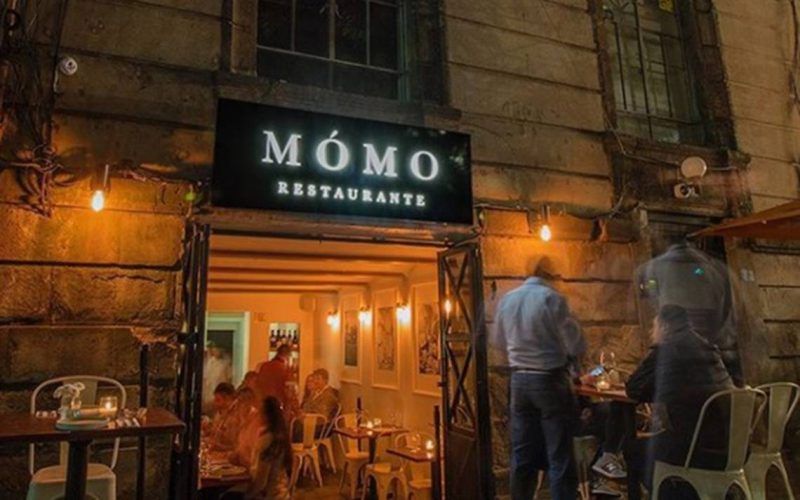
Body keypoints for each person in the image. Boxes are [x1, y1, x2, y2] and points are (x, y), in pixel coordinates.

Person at [491, 260, 586, 500]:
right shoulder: (551, 298)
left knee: (522, 454)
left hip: (519, 380)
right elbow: (574, 342)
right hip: (549, 379)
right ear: (549, 275)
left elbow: (498, 340)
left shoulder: (508, 299)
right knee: (559, 455)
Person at [626, 304, 734, 491]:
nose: (652, 332)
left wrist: (656, 349)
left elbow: (634, 389)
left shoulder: (669, 349)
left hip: (699, 448)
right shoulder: (708, 347)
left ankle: (667, 493)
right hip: (732, 445)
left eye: (654, 326)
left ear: (664, 327)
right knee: (661, 440)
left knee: (633, 449)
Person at [635, 240, 743, 385]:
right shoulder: (716, 269)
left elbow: (635, 387)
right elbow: (727, 305)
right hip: (723, 357)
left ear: (664, 325)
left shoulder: (652, 269)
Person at [222, 396, 294, 500]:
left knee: (225, 496)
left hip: (270, 495)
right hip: (281, 493)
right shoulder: (279, 435)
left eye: (260, 412)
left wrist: (247, 496)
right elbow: (260, 467)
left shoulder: (267, 440)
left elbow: (261, 482)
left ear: (265, 415)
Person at [256, 345, 292, 410]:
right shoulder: (284, 369)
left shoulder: (264, 366)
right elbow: (288, 391)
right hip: (277, 405)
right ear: (287, 356)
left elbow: (258, 385)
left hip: (263, 404)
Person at [203, 342, 233, 413]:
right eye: (214, 348)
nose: (215, 350)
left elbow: (229, 378)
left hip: (222, 393)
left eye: (217, 348)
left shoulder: (226, 362)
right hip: (210, 394)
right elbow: (206, 379)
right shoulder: (210, 362)